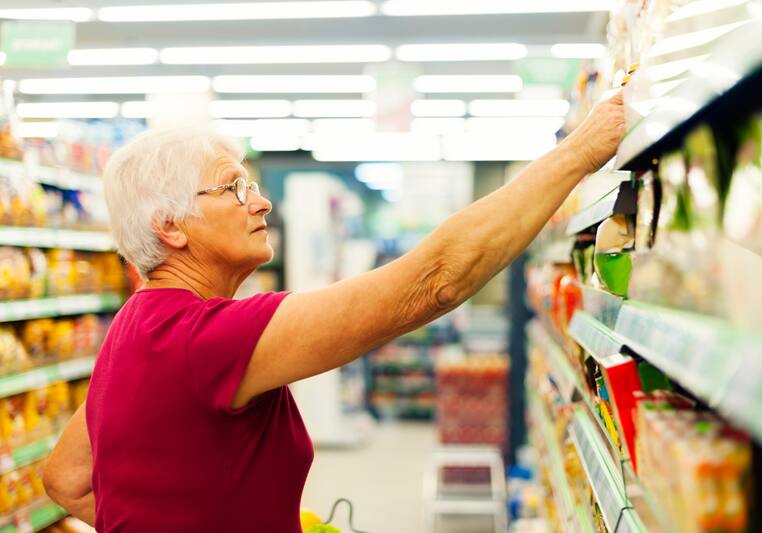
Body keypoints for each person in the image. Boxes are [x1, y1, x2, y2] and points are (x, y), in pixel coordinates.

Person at [42, 92, 625, 532]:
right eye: (234, 189)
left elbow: (65, 479)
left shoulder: (134, 329)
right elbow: (437, 281)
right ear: (169, 227)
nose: (261, 200)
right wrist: (583, 149)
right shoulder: (208, 339)